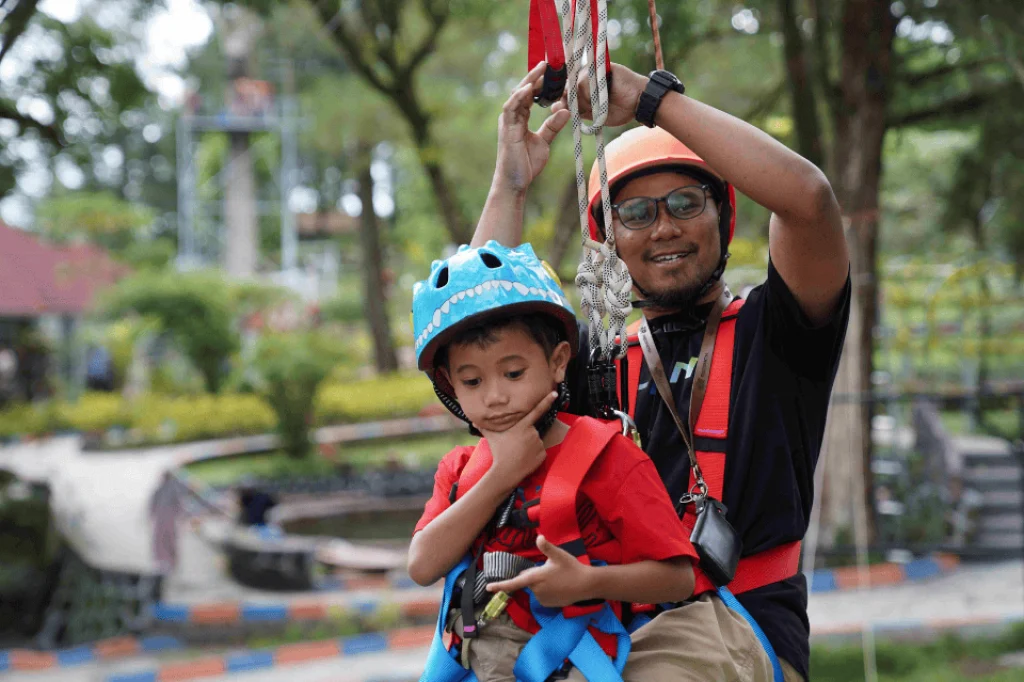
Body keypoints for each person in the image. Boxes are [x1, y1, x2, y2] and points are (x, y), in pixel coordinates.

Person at [472, 62, 851, 682]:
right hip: (605, 628)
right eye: (636, 213)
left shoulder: (777, 335)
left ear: (722, 216)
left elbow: (808, 201)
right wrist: (511, 187)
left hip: (736, 629)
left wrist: (652, 101)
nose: (665, 227)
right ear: (609, 239)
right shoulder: (593, 366)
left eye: (685, 203)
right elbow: (481, 341)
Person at [409, 243, 753, 681]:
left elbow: (678, 578)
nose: (495, 396)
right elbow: (422, 565)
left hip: (574, 653)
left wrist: (589, 582)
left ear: (557, 363)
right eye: (472, 380)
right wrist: (501, 477)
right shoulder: (460, 470)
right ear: (450, 386)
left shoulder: (608, 458)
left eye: (513, 373)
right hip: (482, 657)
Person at [149, 470, 189, 575]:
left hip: (169, 519)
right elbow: (153, 504)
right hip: (163, 518)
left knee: (168, 540)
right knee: (161, 540)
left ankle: (170, 562)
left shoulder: (173, 489)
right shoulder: (159, 490)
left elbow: (179, 504)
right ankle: (163, 562)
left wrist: (182, 517)